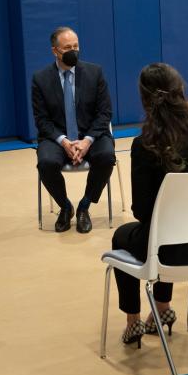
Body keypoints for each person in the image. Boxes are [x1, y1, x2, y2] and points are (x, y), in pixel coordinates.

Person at [112, 63, 188, 346]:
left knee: (126, 235)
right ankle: (162, 308)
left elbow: (142, 212)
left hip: (172, 251)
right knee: (165, 229)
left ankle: (133, 322)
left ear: (146, 100)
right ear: (181, 90)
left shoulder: (145, 145)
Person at [32, 27, 115, 234]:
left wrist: (87, 140)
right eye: (67, 47)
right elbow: (42, 120)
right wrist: (64, 141)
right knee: (46, 163)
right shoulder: (40, 79)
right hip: (57, 138)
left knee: (106, 156)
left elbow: (104, 113)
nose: (73, 51)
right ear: (55, 51)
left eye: (76, 46)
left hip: (91, 135)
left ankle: (84, 206)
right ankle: (65, 206)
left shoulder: (95, 73)